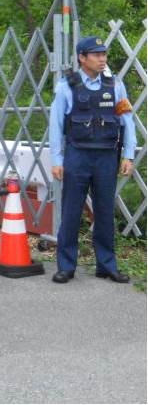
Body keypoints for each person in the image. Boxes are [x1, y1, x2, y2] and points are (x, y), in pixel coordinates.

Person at [49, 36, 136, 284]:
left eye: (104, 54)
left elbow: (127, 121)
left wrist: (128, 154)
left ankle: (106, 265)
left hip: (107, 156)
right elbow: (55, 125)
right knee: (71, 212)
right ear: (82, 58)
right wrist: (57, 159)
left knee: (105, 212)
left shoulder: (115, 86)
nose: (102, 59)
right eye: (96, 54)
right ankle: (66, 266)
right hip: (77, 155)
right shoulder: (67, 86)